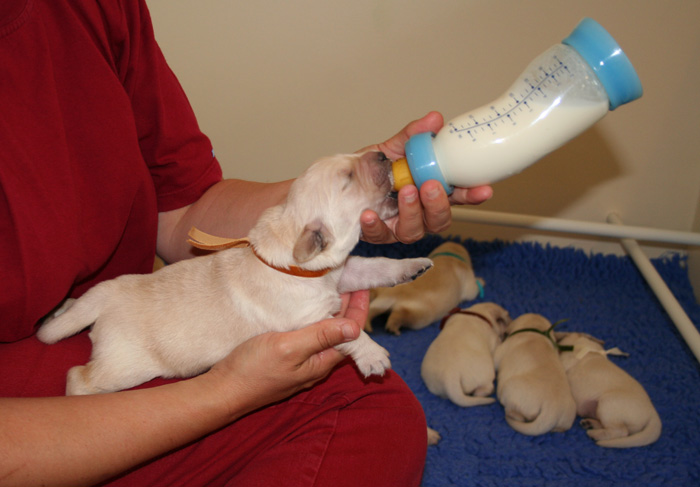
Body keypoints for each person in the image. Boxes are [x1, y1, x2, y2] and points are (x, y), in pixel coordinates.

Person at [0, 1, 492, 486]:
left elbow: (185, 210)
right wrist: (226, 392)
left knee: (385, 423)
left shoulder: (95, 7)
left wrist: (359, 189)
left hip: (136, 305)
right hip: (44, 405)